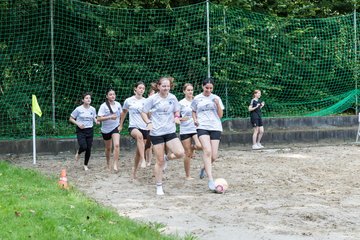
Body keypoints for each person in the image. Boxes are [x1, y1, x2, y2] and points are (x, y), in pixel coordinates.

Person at [141, 76, 185, 195]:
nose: (166, 88)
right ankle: (159, 186)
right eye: (163, 86)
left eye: (168, 86)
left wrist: (176, 117)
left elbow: (177, 111)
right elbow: (143, 112)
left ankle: (167, 158)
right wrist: (148, 122)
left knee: (180, 153)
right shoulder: (153, 99)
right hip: (157, 133)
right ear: (158, 86)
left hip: (170, 131)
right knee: (159, 161)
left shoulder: (173, 98)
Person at [191, 77, 224, 191]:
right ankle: (210, 179)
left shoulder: (216, 98)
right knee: (207, 151)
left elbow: (220, 115)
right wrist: (195, 119)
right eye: (206, 88)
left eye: (210, 88)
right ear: (202, 86)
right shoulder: (197, 98)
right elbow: (193, 110)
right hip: (202, 126)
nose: (208, 90)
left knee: (214, 156)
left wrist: (217, 105)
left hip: (215, 127)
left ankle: (204, 168)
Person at [119, 81, 149, 179]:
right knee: (139, 136)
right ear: (135, 89)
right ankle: (144, 160)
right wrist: (120, 125)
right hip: (133, 127)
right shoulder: (128, 100)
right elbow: (123, 112)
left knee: (139, 152)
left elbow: (149, 114)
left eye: (143, 88)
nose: (141, 90)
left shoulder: (146, 101)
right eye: (140, 88)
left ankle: (134, 171)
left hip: (145, 127)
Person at [69, 92, 98, 171]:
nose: (89, 99)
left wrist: (96, 121)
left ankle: (85, 165)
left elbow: (94, 117)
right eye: (86, 98)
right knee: (84, 146)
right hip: (81, 130)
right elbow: (71, 118)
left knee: (88, 149)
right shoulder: (78, 109)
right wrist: (78, 123)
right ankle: (78, 153)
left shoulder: (93, 109)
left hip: (90, 130)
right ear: (83, 100)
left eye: (89, 98)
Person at [179, 83, 202, 180]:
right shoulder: (180, 103)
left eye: (191, 90)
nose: (190, 92)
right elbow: (174, 117)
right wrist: (181, 118)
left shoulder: (196, 101)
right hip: (185, 130)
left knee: (200, 146)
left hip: (195, 128)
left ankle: (192, 148)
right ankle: (187, 175)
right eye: (188, 90)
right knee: (187, 153)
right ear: (184, 91)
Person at [97, 88, 122, 172]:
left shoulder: (118, 104)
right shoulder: (103, 106)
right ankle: (108, 163)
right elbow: (99, 118)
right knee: (108, 148)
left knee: (117, 145)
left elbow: (122, 115)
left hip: (115, 127)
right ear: (107, 96)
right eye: (110, 94)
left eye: (114, 94)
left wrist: (120, 124)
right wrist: (110, 117)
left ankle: (115, 164)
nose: (112, 96)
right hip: (106, 129)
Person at [144, 82, 158, 167]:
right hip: (146, 126)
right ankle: (145, 159)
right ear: (149, 95)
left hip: (155, 126)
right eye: (152, 94)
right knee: (147, 145)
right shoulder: (147, 103)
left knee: (153, 145)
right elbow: (146, 115)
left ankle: (150, 161)